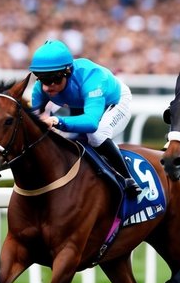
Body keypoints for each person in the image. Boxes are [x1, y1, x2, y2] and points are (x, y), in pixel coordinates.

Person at [29, 39, 140, 196]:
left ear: (67, 72)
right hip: (81, 105)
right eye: (42, 79)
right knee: (62, 139)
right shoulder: (40, 89)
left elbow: (91, 123)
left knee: (96, 136)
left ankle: (127, 178)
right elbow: (32, 122)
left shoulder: (92, 78)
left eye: (53, 79)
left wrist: (56, 121)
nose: (47, 87)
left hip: (114, 101)